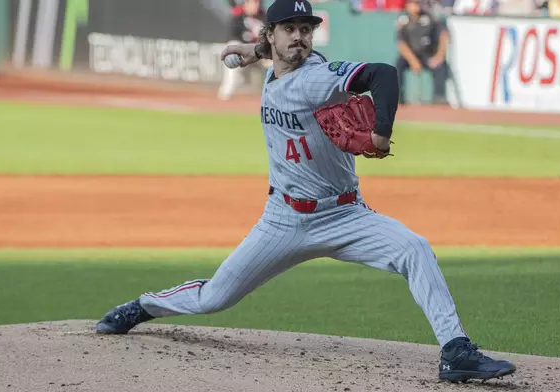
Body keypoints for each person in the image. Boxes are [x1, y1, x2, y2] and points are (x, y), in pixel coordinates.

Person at [94, 0, 516, 383]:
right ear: (271, 35)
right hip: (284, 220)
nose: (299, 36)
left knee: (415, 248)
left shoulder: (316, 77)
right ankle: (145, 306)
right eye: (290, 28)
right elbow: (273, 55)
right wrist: (251, 53)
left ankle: (456, 350)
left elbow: (383, 74)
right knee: (215, 297)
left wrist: (382, 134)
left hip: (347, 216)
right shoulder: (278, 66)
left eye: (306, 28)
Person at [395, 0, 449, 104]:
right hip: (410, 55)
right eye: (414, 3)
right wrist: (412, 60)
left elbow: (443, 34)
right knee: (398, 65)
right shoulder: (403, 20)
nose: (417, 6)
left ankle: (439, 97)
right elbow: (401, 44)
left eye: (418, 3)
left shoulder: (429, 17)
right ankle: (397, 97)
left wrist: (439, 56)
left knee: (439, 66)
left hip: (427, 54)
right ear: (408, 5)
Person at [217, 0, 270, 100]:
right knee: (232, 49)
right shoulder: (238, 15)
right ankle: (226, 92)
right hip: (243, 52)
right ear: (245, 4)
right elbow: (233, 37)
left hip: (260, 52)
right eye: (251, 2)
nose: (254, 5)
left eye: (256, 3)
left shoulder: (264, 16)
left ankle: (277, 93)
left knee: (277, 58)